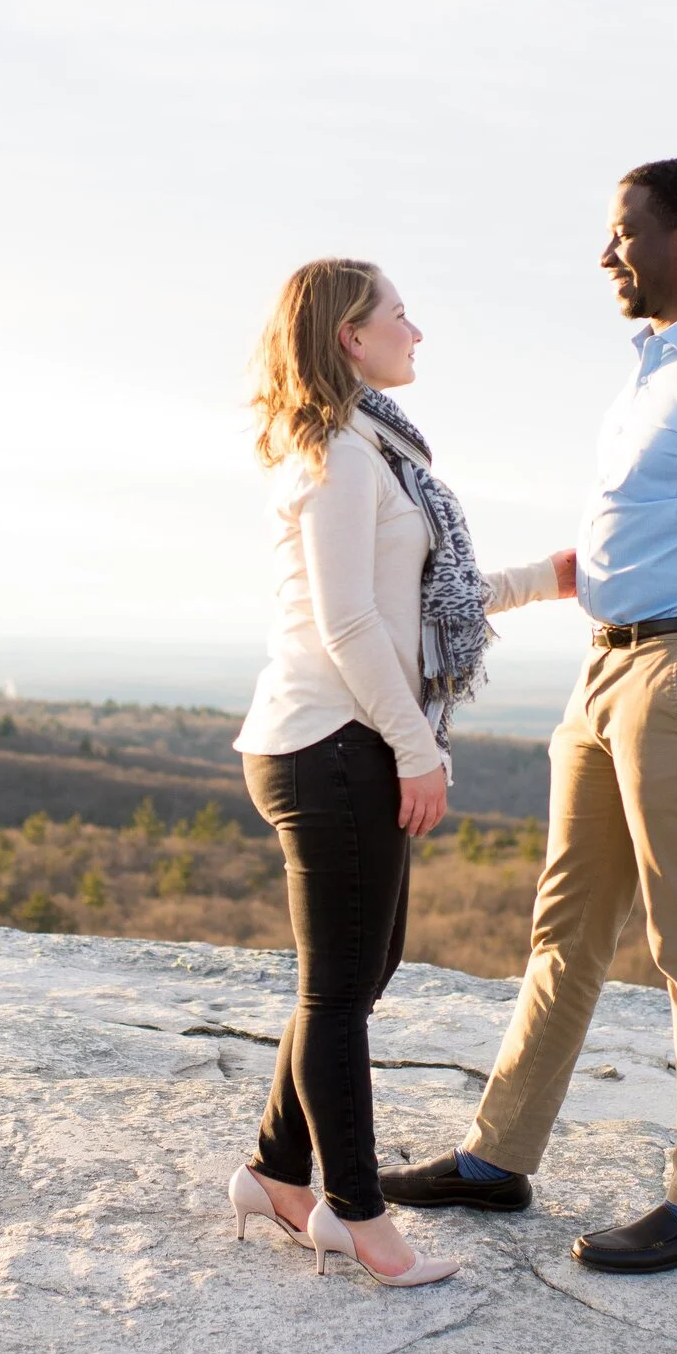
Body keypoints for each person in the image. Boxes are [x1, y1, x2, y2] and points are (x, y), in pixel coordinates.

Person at [381, 158, 677, 1275]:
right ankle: (497, 1156)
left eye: (621, 232)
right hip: (606, 676)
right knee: (563, 927)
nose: (605, 253)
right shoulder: (649, 377)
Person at [225, 257, 575, 1287]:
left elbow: (423, 597)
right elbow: (349, 621)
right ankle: (357, 1216)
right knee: (338, 992)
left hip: (349, 739)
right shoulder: (334, 451)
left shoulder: (378, 449)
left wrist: (543, 581)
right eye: (398, 315)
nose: (415, 331)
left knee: (361, 974)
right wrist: (416, 750)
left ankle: (277, 1173)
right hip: (328, 742)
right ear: (350, 337)